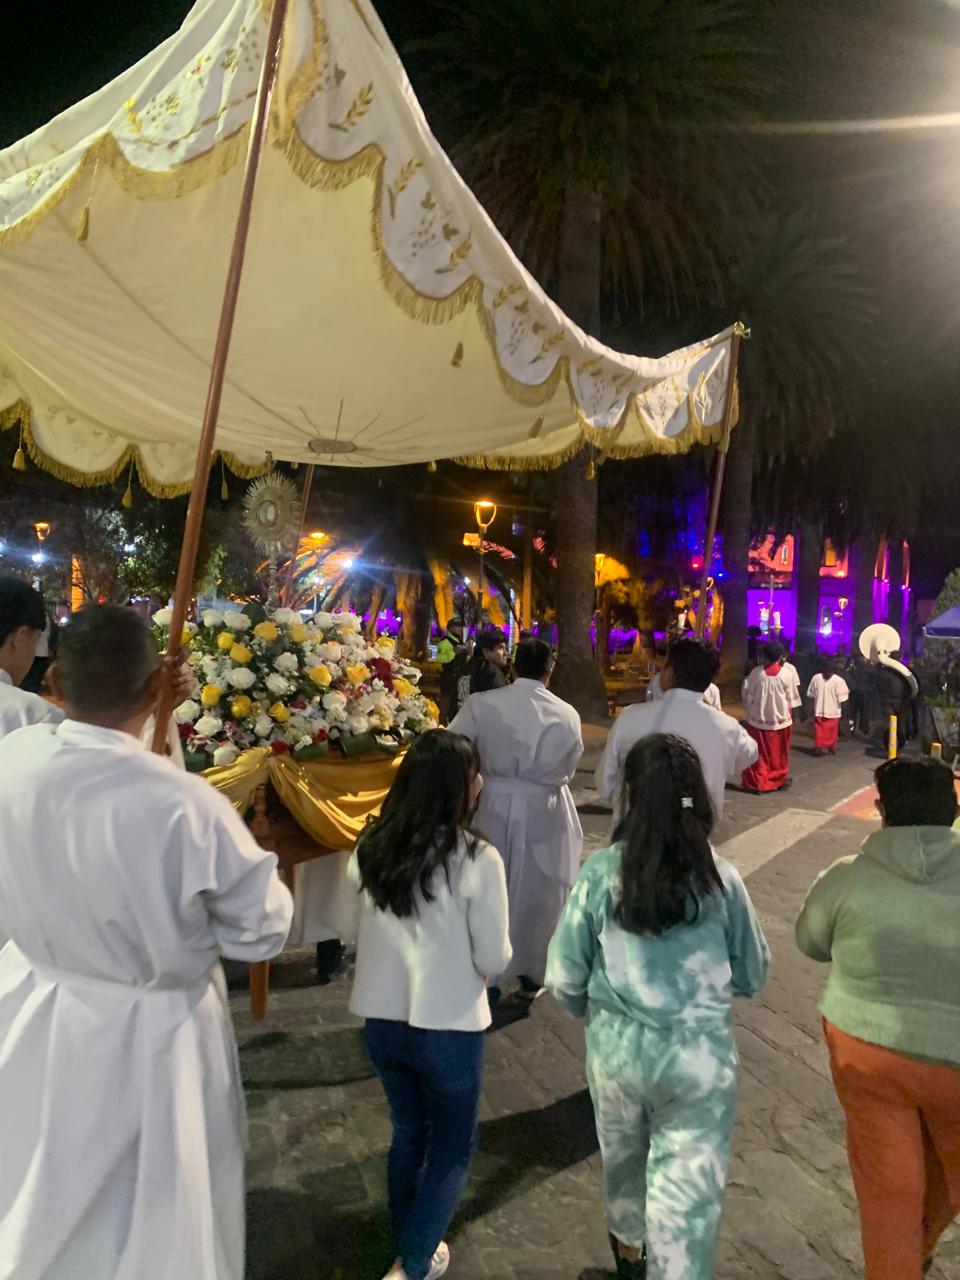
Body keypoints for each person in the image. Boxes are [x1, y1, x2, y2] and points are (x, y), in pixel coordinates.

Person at [0, 604, 292, 1280]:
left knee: (36, 1181)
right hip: (149, 1037)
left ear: (57, 681)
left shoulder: (14, 756)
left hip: (33, 1004)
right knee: (148, 1212)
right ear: (157, 683)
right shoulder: (185, 805)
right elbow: (263, 929)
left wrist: (151, 710)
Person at [547, 734, 769, 1280]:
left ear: (632, 797)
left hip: (618, 1053)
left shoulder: (602, 874)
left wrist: (588, 1008)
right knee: (687, 1196)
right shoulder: (721, 879)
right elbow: (753, 972)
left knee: (624, 1168)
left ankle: (629, 1262)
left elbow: (563, 976)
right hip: (699, 1059)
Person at [343, 731, 511, 1280]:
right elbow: (495, 954)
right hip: (450, 1026)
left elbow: (352, 931)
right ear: (459, 788)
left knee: (409, 1132)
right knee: (452, 1146)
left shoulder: (369, 847)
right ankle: (411, 1264)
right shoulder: (476, 858)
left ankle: (409, 1242)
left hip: (382, 1023)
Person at [796, 757, 960, 1280]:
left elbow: (810, 941)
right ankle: (922, 1243)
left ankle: (901, 1262)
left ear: (883, 813)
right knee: (946, 1172)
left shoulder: (847, 877)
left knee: (887, 1187)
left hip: (866, 1053)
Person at [449, 637, 583, 999]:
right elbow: (570, 765)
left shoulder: (483, 704)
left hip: (494, 800)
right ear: (549, 670)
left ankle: (486, 969)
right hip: (547, 807)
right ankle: (534, 969)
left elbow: (452, 745)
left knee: (491, 884)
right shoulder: (567, 712)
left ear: (513, 665)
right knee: (542, 890)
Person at [0, 574, 190, 760]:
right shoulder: (30, 715)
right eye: (36, 640)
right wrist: (158, 710)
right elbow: (116, 768)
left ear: (57, 681)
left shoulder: (16, 744)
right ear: (20, 636)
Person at [596, 636, 758, 822]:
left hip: (636, 836)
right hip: (694, 837)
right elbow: (750, 753)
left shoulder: (630, 717)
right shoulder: (726, 726)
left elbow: (605, 784)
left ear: (670, 673)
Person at [741, 640, 802, 793]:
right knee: (778, 753)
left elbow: (749, 696)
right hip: (780, 721)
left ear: (764, 656)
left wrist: (751, 711)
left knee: (758, 753)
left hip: (757, 720)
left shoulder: (756, 673)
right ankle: (778, 779)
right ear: (781, 656)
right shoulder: (787, 675)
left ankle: (758, 781)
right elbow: (791, 700)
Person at [806, 658, 850, 756]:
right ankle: (831, 747)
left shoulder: (816, 678)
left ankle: (819, 746)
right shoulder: (839, 681)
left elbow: (811, 694)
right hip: (833, 710)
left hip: (819, 708)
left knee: (819, 730)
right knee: (831, 730)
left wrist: (810, 707)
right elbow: (843, 698)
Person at [468, 627, 509, 695]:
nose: (506, 653)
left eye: (505, 648)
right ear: (486, 651)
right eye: (500, 648)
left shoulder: (468, 666)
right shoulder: (493, 674)